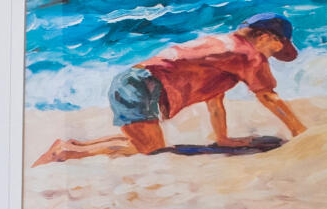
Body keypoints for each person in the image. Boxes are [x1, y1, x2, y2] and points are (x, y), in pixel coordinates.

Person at [33, 13, 309, 164]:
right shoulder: (248, 54)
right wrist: (300, 132)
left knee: (143, 140)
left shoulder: (224, 47)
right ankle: (67, 153)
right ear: (264, 36)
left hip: (134, 80)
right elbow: (268, 96)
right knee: (149, 148)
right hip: (142, 85)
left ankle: (75, 145)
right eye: (279, 45)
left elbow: (215, 101)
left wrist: (223, 138)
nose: (277, 52)